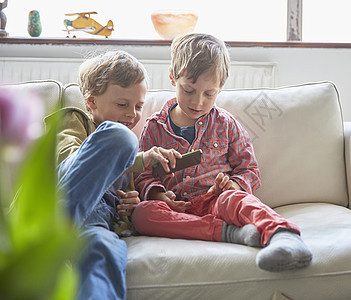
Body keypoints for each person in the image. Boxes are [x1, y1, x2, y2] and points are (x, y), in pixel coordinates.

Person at [132, 33, 312, 272]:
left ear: (220, 88)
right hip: (177, 210)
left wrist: (233, 186)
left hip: (217, 201)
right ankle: (229, 233)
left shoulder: (226, 124)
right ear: (173, 78)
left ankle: (283, 236)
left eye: (209, 94)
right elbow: (143, 174)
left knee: (237, 199)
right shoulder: (155, 127)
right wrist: (157, 195)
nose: (198, 102)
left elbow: (249, 169)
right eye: (189, 90)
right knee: (142, 215)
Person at [45, 50, 181, 300]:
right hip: (54, 200)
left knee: (104, 247)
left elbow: (121, 215)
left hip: (93, 225)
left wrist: (128, 208)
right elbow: (68, 159)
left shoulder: (130, 149)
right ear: (92, 101)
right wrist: (138, 159)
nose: (132, 114)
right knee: (120, 137)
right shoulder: (74, 120)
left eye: (139, 106)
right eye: (122, 105)